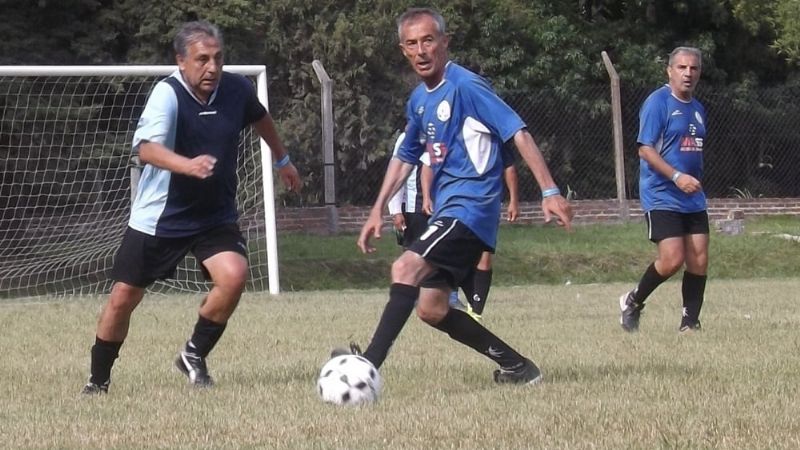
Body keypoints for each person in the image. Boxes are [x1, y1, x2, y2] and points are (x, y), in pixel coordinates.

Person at [345, 7, 573, 385]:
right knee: (432, 309)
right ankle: (518, 367)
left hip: (471, 209)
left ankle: (367, 368)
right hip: (448, 212)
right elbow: (405, 157)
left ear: (445, 43)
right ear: (403, 49)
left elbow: (518, 132)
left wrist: (549, 190)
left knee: (404, 268)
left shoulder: (467, 86)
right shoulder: (419, 99)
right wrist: (377, 212)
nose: (421, 51)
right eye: (412, 43)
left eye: (429, 40)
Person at [81, 20, 301, 394]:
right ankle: (98, 381)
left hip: (214, 216)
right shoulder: (167, 95)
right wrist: (188, 165)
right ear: (181, 61)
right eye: (202, 59)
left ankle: (194, 353)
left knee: (233, 276)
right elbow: (145, 149)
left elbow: (261, 117)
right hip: (160, 218)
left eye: (218, 58)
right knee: (123, 298)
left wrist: (283, 160)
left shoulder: (237, 89)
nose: (212, 67)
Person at [619, 46, 707, 333]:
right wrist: (677, 176)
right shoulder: (658, 103)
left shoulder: (698, 108)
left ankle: (689, 323)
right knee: (672, 260)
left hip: (692, 196)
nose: (688, 73)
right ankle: (633, 301)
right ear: (669, 71)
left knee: (699, 259)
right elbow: (645, 150)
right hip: (661, 193)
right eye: (681, 67)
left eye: (693, 68)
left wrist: (692, 179)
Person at [420, 145, 520, 321]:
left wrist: (513, 201)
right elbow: (428, 165)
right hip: (450, 203)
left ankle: (476, 310)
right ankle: (447, 296)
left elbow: (509, 167)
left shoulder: (490, 135)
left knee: (485, 253)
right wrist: (427, 196)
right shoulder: (445, 132)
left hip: (485, 203)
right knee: (449, 250)